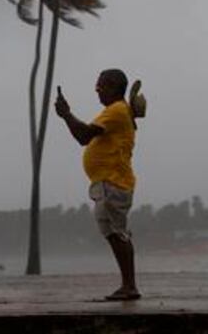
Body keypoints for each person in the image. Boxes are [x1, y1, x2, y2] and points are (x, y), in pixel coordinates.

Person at [54, 69, 140, 301]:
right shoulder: (118, 110)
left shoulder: (116, 111)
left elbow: (83, 136)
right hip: (109, 183)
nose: (97, 89)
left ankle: (129, 286)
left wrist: (66, 114)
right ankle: (128, 285)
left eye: (101, 85)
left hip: (112, 182)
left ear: (114, 86)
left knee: (117, 234)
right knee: (115, 233)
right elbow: (85, 137)